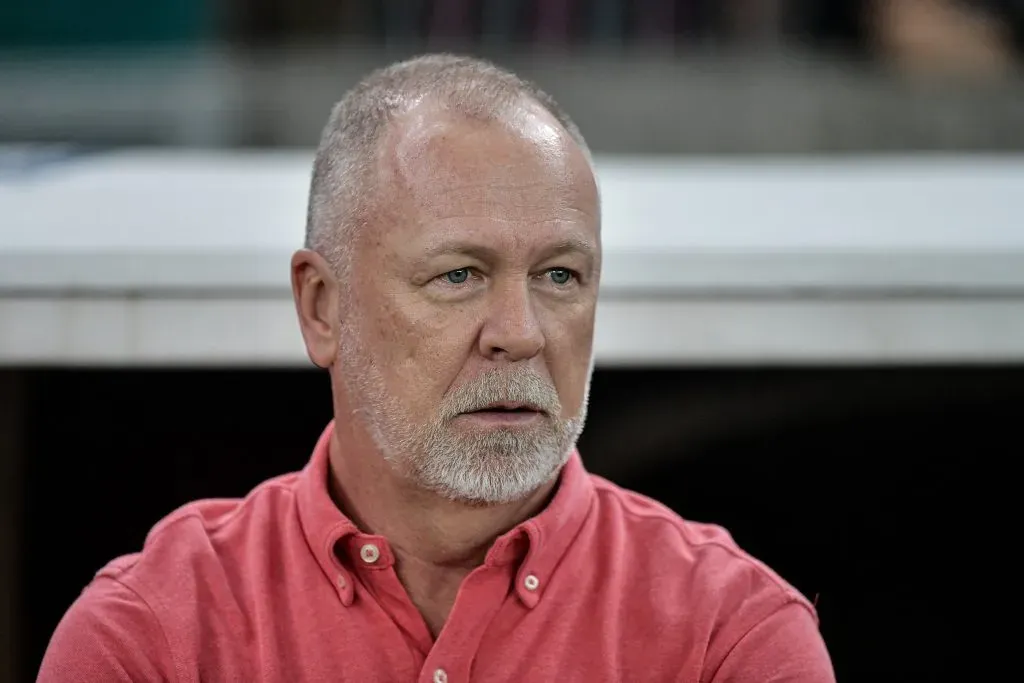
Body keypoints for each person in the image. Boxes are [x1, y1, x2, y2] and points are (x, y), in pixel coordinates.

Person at [36, 55, 835, 682]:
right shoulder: (151, 634)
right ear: (321, 306)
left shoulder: (729, 636)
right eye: (458, 275)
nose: (520, 334)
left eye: (560, 275)